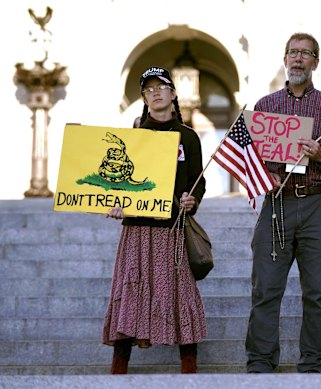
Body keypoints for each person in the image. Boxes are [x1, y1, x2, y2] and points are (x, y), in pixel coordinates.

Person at [245, 32, 321, 373]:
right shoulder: (266, 106)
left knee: (318, 290)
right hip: (277, 203)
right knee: (266, 286)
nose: (298, 58)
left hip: (320, 204)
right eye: (293, 52)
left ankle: (312, 360)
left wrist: (320, 155)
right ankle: (260, 360)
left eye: (306, 53)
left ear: (316, 62)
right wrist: (264, 177)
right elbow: (250, 157)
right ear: (284, 58)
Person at [102, 66, 207, 374]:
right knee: (130, 290)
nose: (156, 93)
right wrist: (115, 202)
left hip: (172, 228)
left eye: (161, 87)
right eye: (149, 89)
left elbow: (198, 180)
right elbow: (118, 182)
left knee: (180, 291)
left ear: (173, 94)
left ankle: (189, 364)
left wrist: (193, 199)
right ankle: (119, 365)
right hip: (136, 227)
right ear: (144, 98)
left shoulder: (188, 138)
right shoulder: (132, 139)